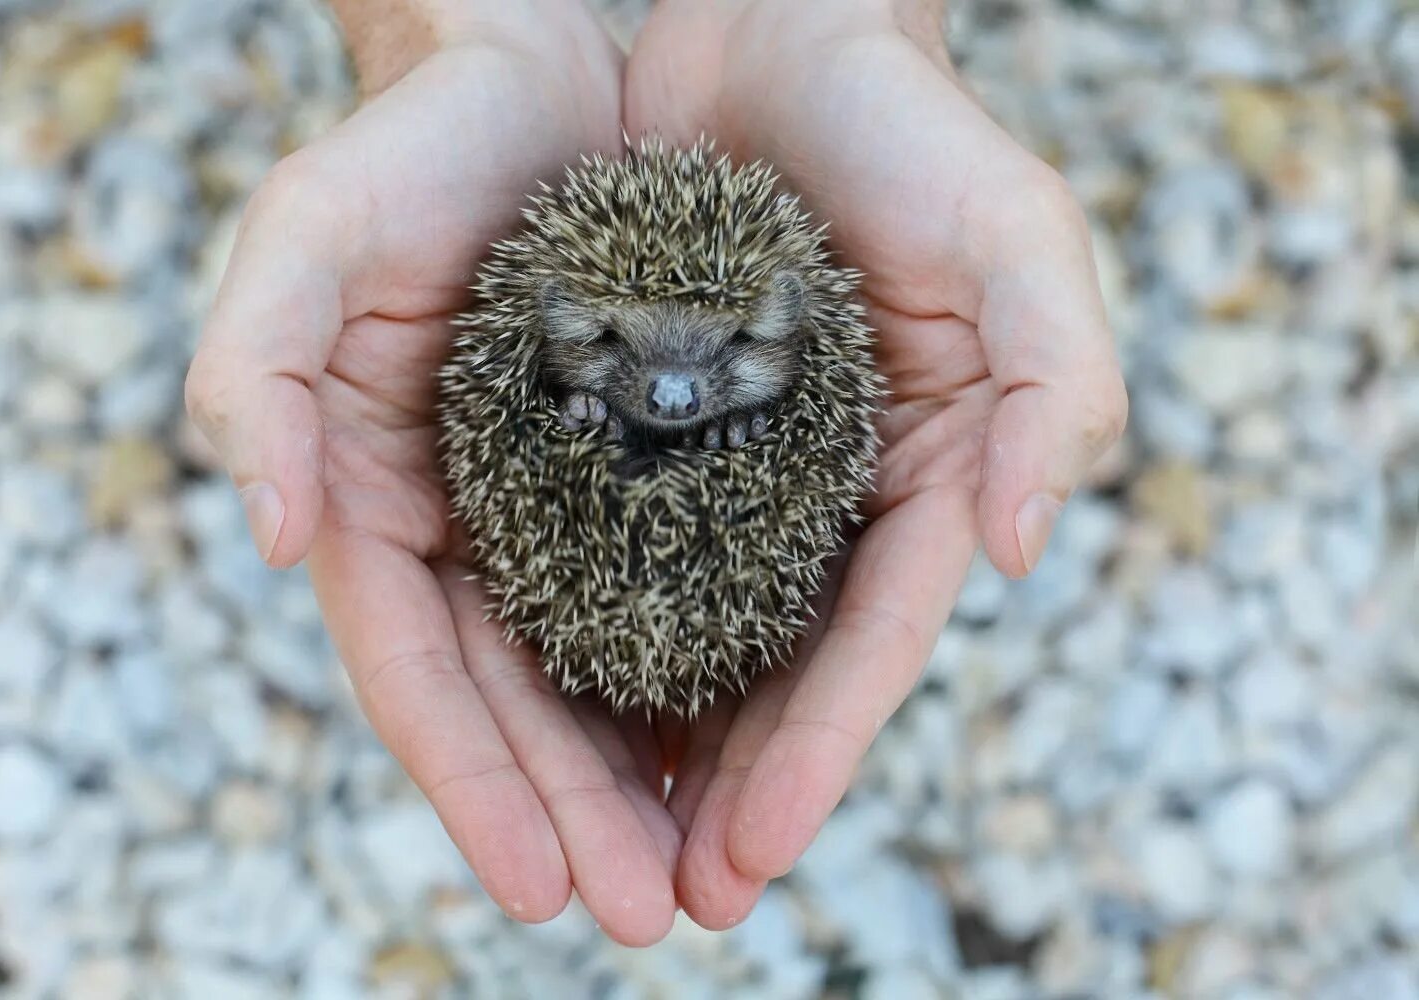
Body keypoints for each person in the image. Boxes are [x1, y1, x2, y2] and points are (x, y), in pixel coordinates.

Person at [184, 0, 1128, 947]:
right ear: (561, 320)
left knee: (1009, 343)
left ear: (787, 320)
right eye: (623, 350)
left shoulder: (787, 334)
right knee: (310, 325)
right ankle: (326, 276)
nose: (675, 395)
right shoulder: (550, 343)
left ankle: (1027, 297)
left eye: (721, 355)